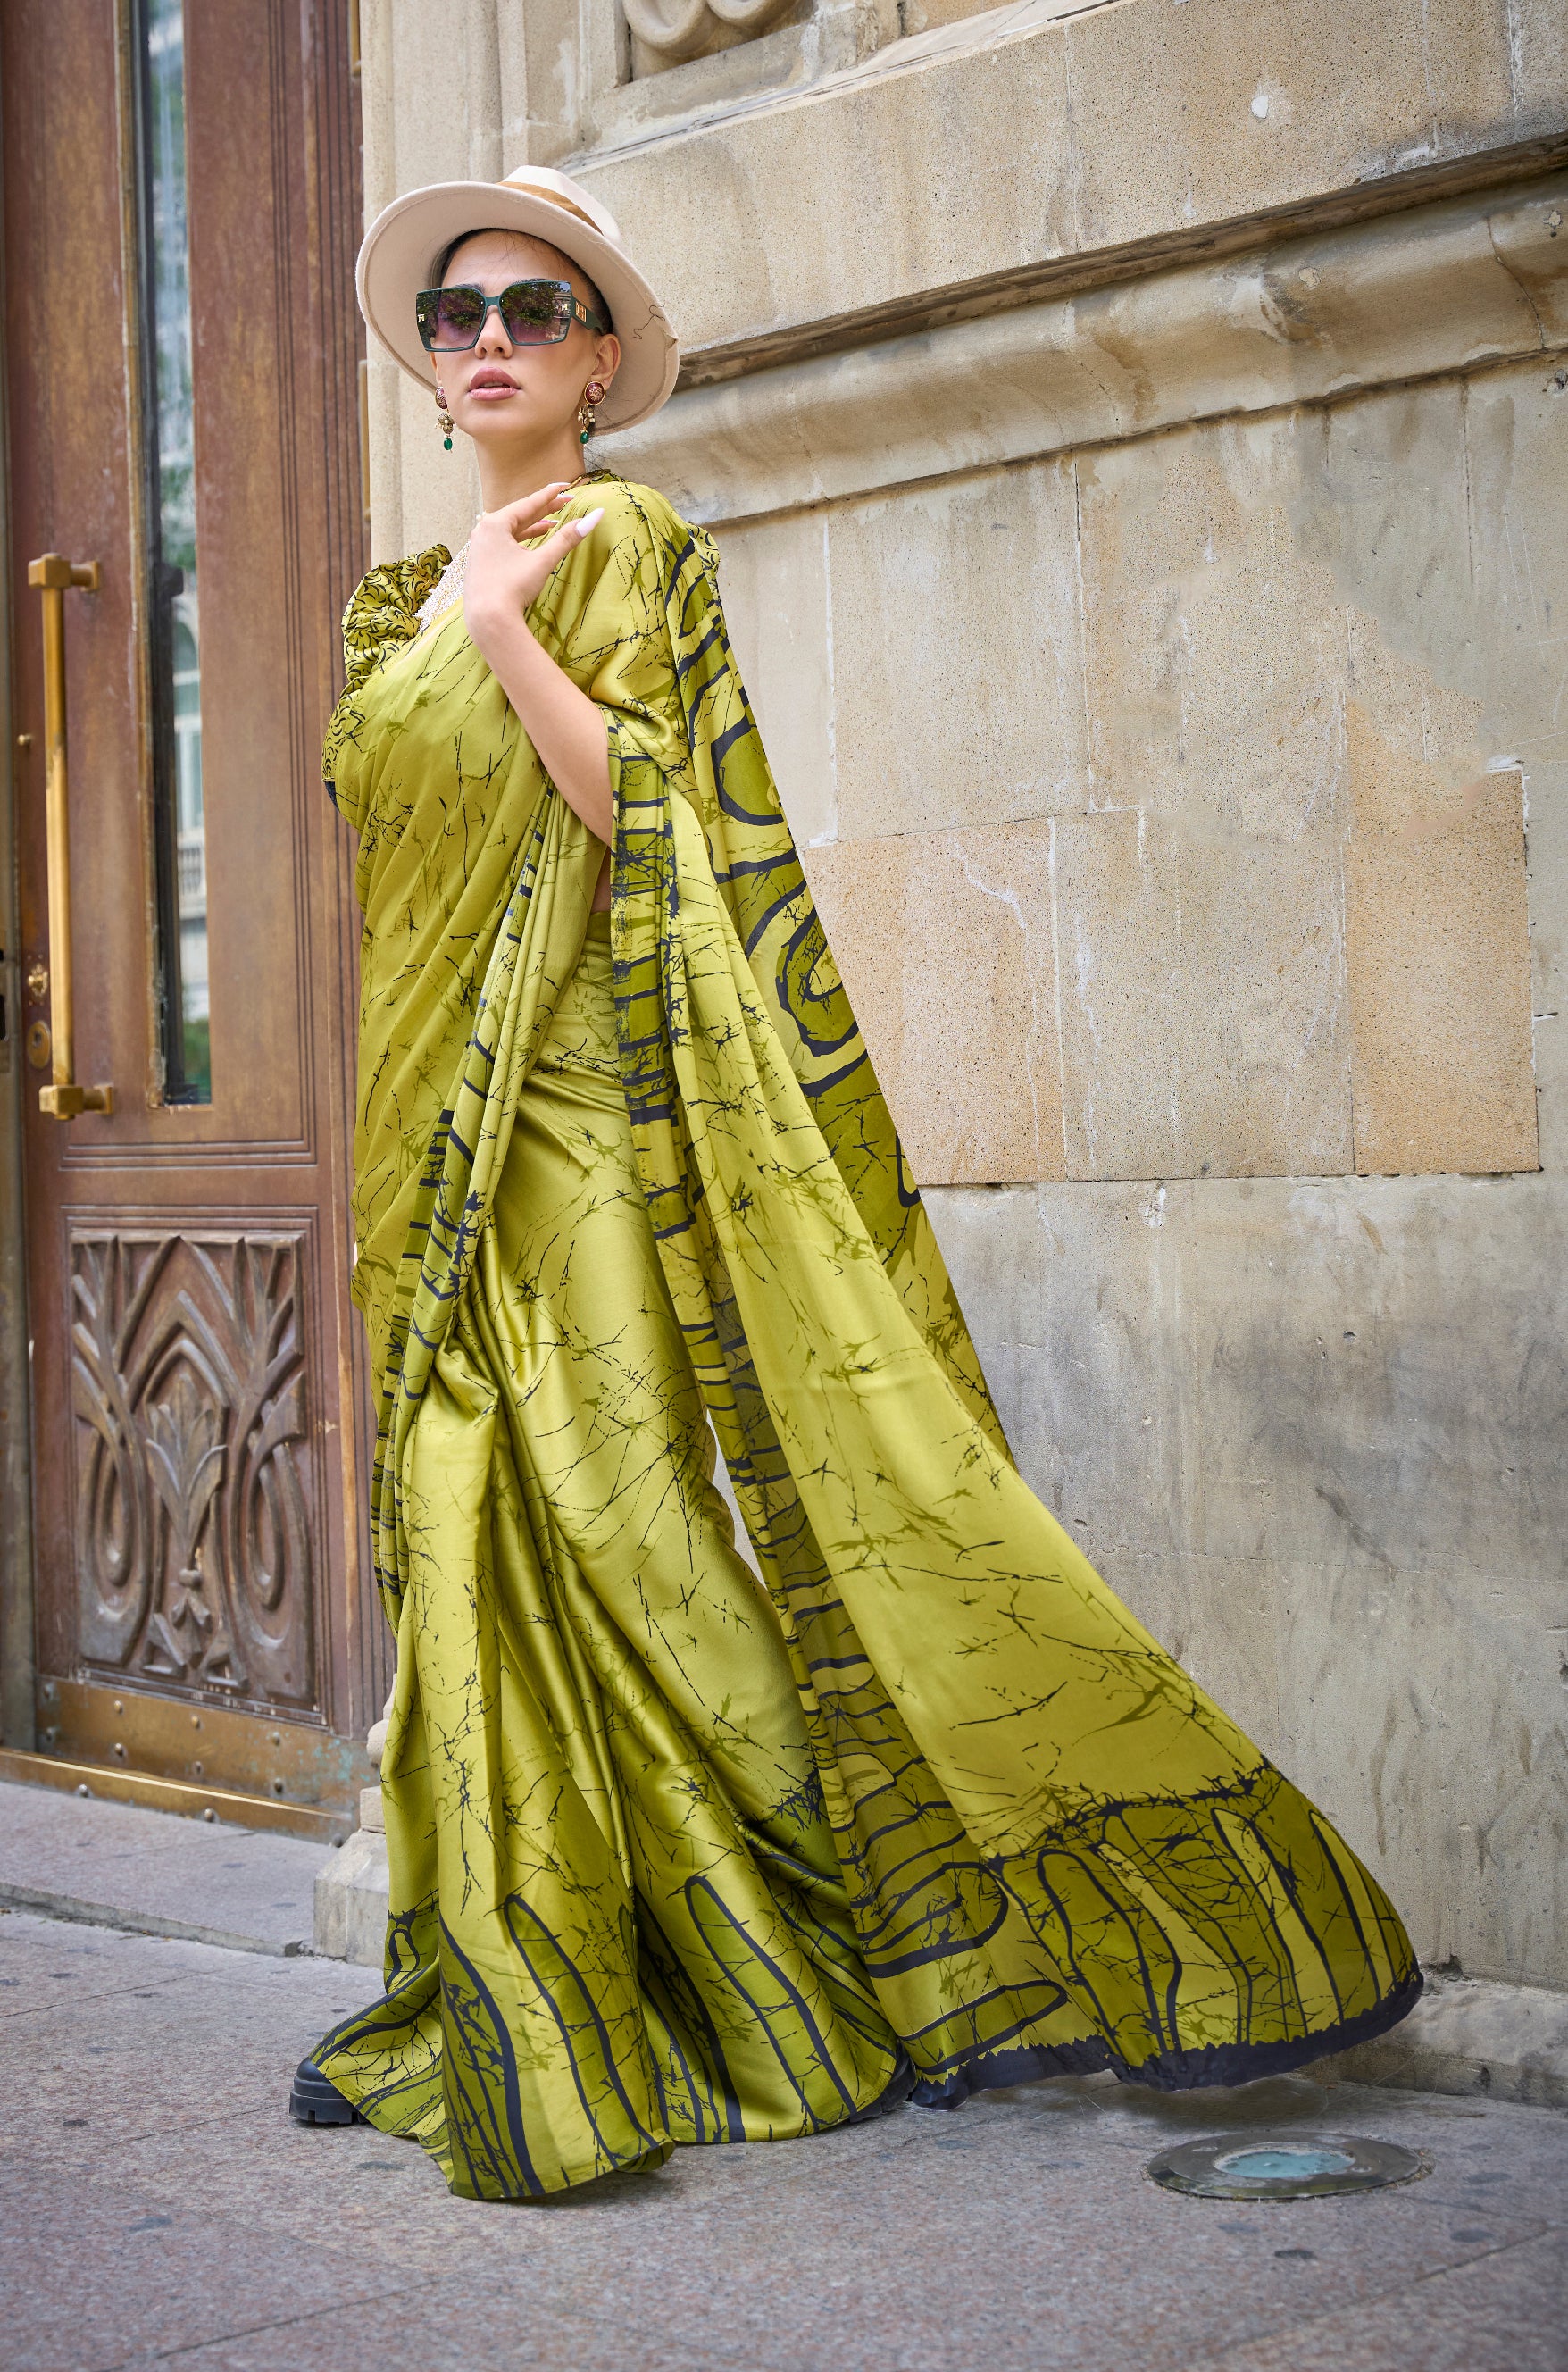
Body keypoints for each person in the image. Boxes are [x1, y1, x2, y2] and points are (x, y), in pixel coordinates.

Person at [291, 165, 1420, 2201]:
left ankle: (810, 1957)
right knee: (472, 1549)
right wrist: (456, 610)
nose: (487, 340)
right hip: (424, 1144)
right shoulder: (399, 596)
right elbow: (390, 851)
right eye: (457, 309)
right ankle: (516, 1976)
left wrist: (500, 627)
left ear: (600, 358)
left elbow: (636, 807)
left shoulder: (615, 539)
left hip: (581, 1127)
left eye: (535, 310)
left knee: (632, 1550)